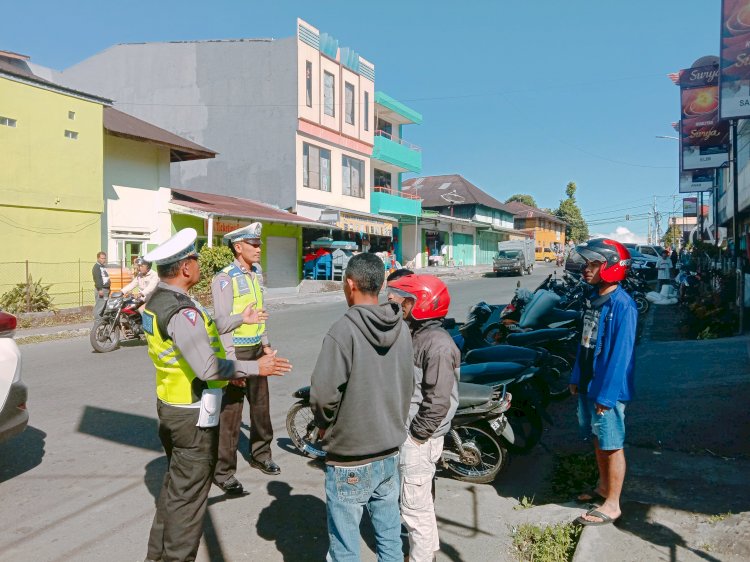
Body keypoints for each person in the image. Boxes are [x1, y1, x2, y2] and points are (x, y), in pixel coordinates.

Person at [141, 228, 292, 562]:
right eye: (194, 259)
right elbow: (209, 367)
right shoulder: (181, 310)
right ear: (185, 268)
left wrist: (241, 318)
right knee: (189, 504)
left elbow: (204, 331)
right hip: (192, 416)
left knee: (175, 493)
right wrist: (257, 369)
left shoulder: (159, 301)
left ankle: (157, 557)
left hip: (171, 405)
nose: (197, 264)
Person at [310, 253, 414, 562]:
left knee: (345, 549)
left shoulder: (343, 331)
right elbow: (406, 385)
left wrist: (324, 423)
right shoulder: (402, 328)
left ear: (350, 285)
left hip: (350, 459)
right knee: (390, 540)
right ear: (382, 285)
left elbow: (323, 395)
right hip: (389, 453)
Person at [386, 273, 460, 562]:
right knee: (419, 505)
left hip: (419, 439)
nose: (397, 305)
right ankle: (424, 555)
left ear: (421, 303)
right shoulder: (416, 334)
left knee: (414, 509)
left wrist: (417, 436)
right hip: (413, 435)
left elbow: (437, 400)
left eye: (402, 300)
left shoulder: (437, 344)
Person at [568, 238, 637, 527]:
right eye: (586, 263)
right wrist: (575, 376)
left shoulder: (624, 306)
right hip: (588, 384)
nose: (586, 269)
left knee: (612, 444)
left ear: (611, 266)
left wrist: (607, 398)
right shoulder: (595, 299)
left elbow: (621, 357)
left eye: (594, 264)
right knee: (598, 440)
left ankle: (613, 504)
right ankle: (602, 488)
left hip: (606, 391)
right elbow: (584, 344)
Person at [213, 222, 280, 497]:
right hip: (235, 354)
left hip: (255, 350)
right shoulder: (224, 279)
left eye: (259, 244)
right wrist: (231, 365)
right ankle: (223, 472)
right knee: (231, 416)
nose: (258, 248)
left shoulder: (255, 276)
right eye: (253, 244)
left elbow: (260, 315)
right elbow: (221, 324)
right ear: (237, 247)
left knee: (261, 407)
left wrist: (265, 345)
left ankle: (261, 454)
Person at [92, 251, 111, 317]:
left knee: (104, 306)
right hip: (101, 290)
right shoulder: (97, 267)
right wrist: (100, 290)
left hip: (105, 289)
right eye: (102, 258)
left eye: (104, 258)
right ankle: (97, 321)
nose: (103, 260)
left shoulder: (102, 266)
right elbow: (97, 279)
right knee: (99, 306)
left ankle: (101, 321)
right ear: (98, 258)